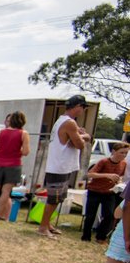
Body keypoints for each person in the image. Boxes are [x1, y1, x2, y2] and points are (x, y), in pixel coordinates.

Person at [40, 95, 91, 239]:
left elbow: (73, 141)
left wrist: (77, 136)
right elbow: (79, 144)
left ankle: (47, 223)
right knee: (54, 198)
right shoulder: (69, 123)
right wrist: (85, 136)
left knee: (58, 198)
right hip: (60, 165)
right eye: (82, 107)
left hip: (60, 164)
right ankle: (43, 226)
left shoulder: (62, 121)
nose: (82, 111)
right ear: (78, 106)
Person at [0, 111, 31, 220]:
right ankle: (1, 215)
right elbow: (26, 152)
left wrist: (2, 150)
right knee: (6, 191)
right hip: (14, 164)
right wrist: (16, 151)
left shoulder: (0, 132)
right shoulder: (23, 133)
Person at [82, 142, 128, 242]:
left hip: (109, 192)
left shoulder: (124, 163)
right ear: (114, 151)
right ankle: (86, 236)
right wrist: (107, 175)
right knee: (90, 215)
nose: (123, 155)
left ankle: (101, 236)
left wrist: (118, 181)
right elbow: (90, 174)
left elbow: (120, 176)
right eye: (121, 152)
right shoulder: (104, 161)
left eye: (126, 153)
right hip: (95, 190)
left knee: (109, 215)